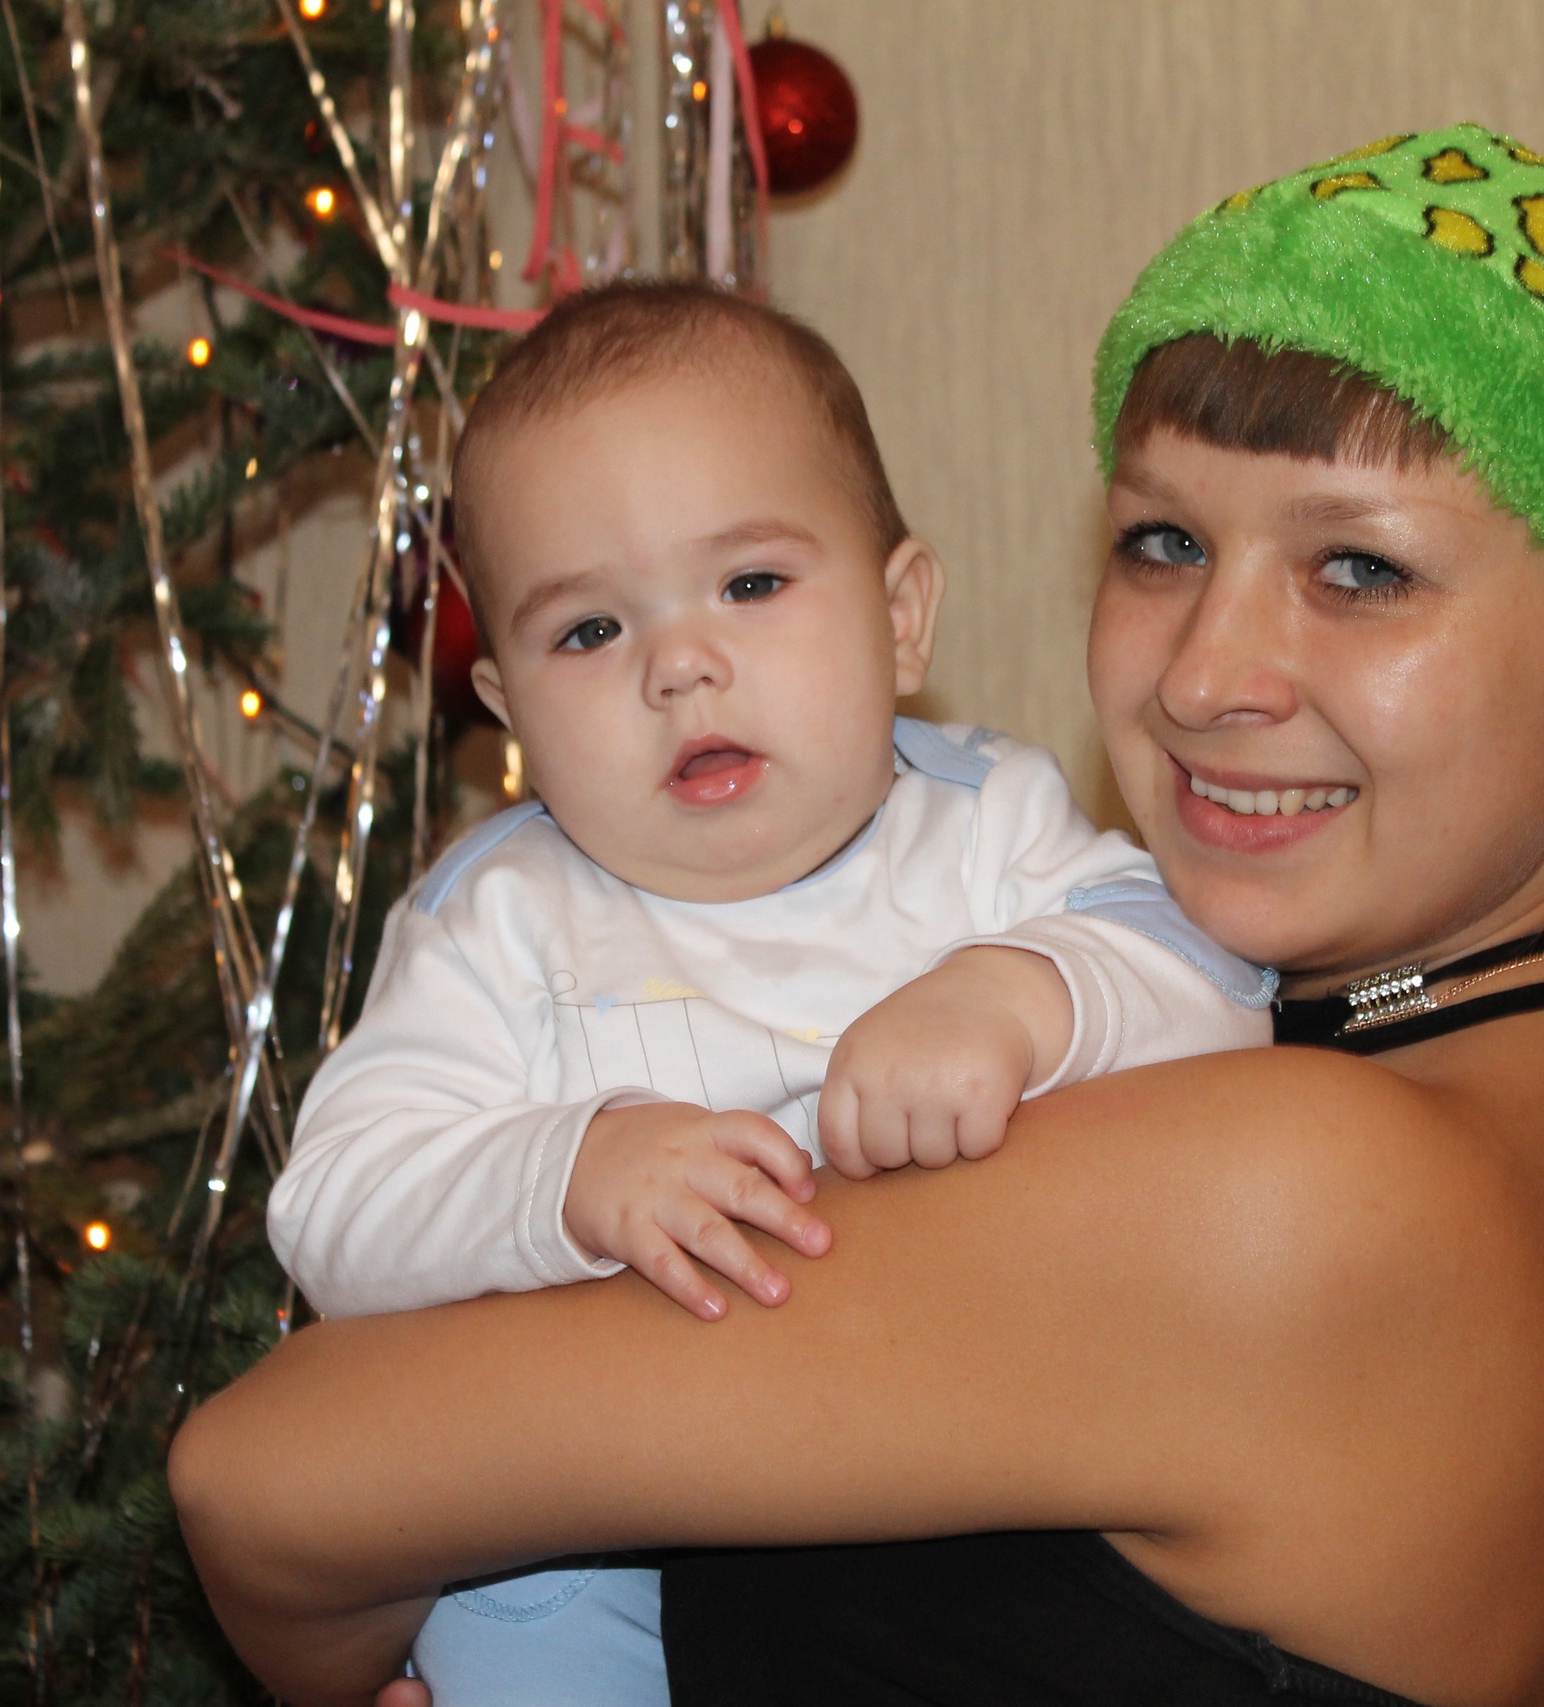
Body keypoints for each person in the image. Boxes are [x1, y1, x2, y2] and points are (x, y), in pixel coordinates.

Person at [173, 123, 1544, 1707]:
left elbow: (259, 1481)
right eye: (1164, 542)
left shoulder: (1286, 1187)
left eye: (1361, 569)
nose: (1204, 675)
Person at [266, 283, 1272, 1706]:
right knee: (507, 1627)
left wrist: (1019, 995)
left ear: (900, 616)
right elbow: (332, 1206)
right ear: (508, 711)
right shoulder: (498, 918)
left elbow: (1218, 977)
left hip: (955, 1490)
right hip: (593, 1530)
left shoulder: (984, 827)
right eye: (588, 632)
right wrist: (568, 1169)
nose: (680, 665)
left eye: (750, 585)